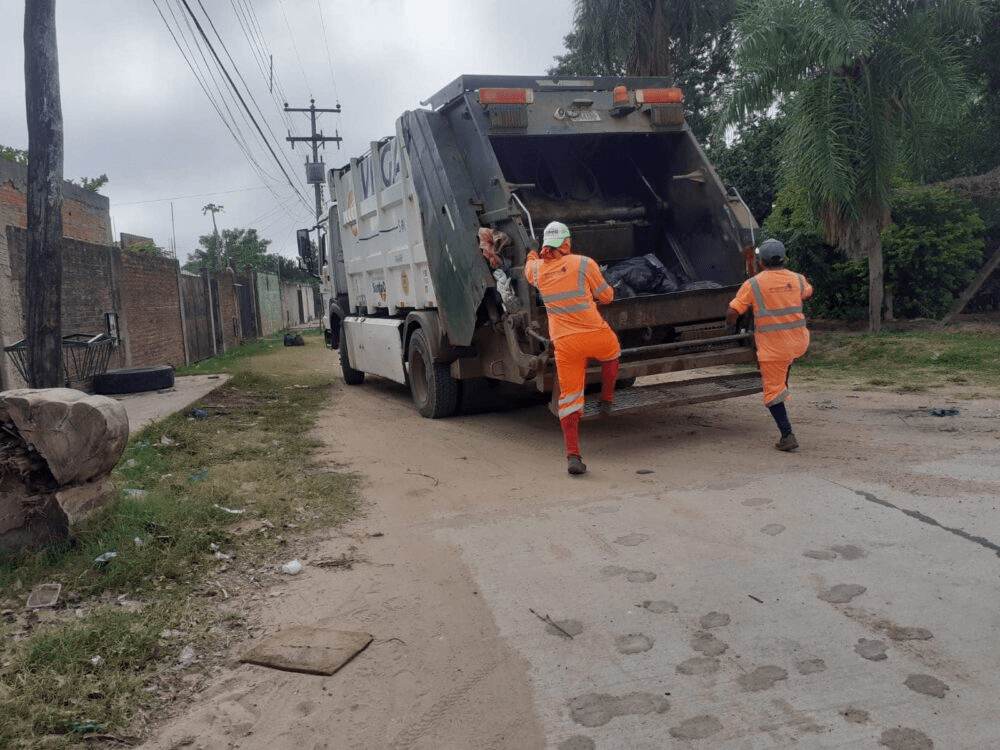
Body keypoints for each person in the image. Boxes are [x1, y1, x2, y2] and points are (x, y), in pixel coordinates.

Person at [525, 221, 621, 475]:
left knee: (569, 399)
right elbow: (607, 297)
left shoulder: (537, 271)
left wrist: (532, 253)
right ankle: (606, 399)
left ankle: (573, 455)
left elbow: (528, 266)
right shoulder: (584, 263)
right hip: (595, 334)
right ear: (567, 243)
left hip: (566, 344)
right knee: (612, 354)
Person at [726, 238, 813, 451]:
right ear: (783, 259)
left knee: (772, 391)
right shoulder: (798, 279)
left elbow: (733, 312)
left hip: (774, 347)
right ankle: (783, 382)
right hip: (798, 341)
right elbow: (807, 293)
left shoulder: (753, 284)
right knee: (782, 372)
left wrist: (730, 325)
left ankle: (787, 436)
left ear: (761, 262)